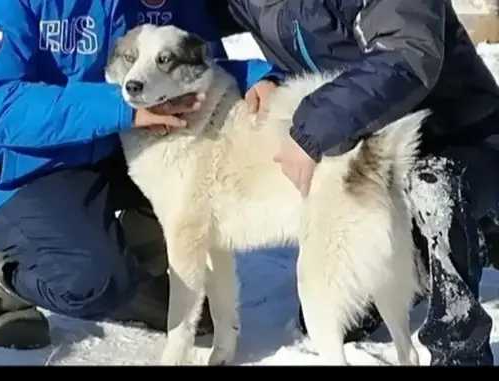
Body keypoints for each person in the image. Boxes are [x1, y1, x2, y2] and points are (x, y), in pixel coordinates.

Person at [0, 0, 280, 350]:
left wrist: (255, 76)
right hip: (17, 168)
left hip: (107, 146)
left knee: (194, 180)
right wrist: (121, 108)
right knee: (93, 282)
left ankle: (139, 274)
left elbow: (194, 59)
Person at [207, 0, 499, 366]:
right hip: (368, 148)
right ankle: (419, 261)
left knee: (433, 187)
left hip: (456, 132)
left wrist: (312, 128)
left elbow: (408, 54)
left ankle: (459, 349)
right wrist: (265, 76)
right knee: (332, 312)